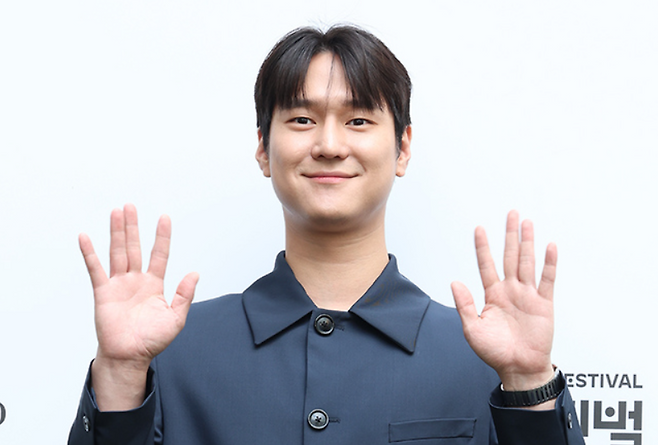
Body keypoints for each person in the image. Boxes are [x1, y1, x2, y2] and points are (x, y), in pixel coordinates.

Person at [68, 25, 585, 444]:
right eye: (301, 119)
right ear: (263, 149)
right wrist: (120, 372)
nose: (330, 144)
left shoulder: (482, 355)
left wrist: (528, 384)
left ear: (403, 148)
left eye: (358, 120)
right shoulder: (172, 349)